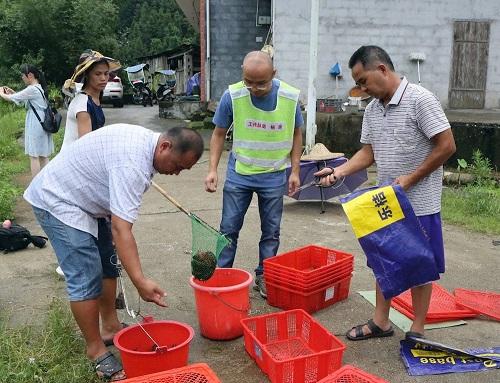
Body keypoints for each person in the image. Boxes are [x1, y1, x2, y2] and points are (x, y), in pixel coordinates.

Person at [24, 124, 203, 381]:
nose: (176, 173)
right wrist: (140, 281)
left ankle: (110, 327)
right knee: (86, 275)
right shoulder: (133, 164)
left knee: (107, 264)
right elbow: (122, 230)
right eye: (177, 166)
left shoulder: (146, 148)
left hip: (88, 201)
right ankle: (95, 349)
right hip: (58, 200)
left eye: (182, 170)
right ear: (165, 146)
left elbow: (118, 225)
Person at [315, 45, 456, 340]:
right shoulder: (372, 110)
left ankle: (417, 329)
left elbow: (447, 146)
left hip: (420, 203)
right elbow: (368, 153)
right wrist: (338, 171)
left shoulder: (420, 100)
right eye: (358, 84)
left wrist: (410, 179)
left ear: (381, 69)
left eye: (363, 80)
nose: (361, 88)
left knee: (421, 264)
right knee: (384, 261)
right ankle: (381, 322)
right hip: (387, 202)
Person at [204, 51, 303, 298]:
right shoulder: (233, 95)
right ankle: (222, 275)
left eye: (261, 83)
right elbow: (218, 134)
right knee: (228, 228)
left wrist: (295, 171)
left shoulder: (290, 98)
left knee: (271, 231)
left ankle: (265, 276)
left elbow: (296, 134)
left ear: (274, 74)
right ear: (242, 73)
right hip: (241, 173)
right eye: (249, 81)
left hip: (273, 174)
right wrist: (212, 169)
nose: (255, 88)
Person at [55, 51, 122, 335]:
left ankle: (109, 321)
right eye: (98, 75)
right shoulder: (83, 103)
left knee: (104, 245)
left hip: (86, 175)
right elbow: (86, 148)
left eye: (106, 74)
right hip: (74, 177)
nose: (104, 79)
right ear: (86, 76)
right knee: (96, 245)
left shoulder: (96, 98)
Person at [0, 64, 54, 176]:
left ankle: (36, 185)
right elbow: (23, 100)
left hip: (36, 123)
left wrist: (1, 93)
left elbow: (11, 99)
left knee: (34, 155)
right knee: (43, 155)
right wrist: (13, 92)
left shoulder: (32, 89)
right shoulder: (38, 88)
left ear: (30, 75)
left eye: (22, 75)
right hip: (42, 121)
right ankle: (46, 181)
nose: (22, 77)